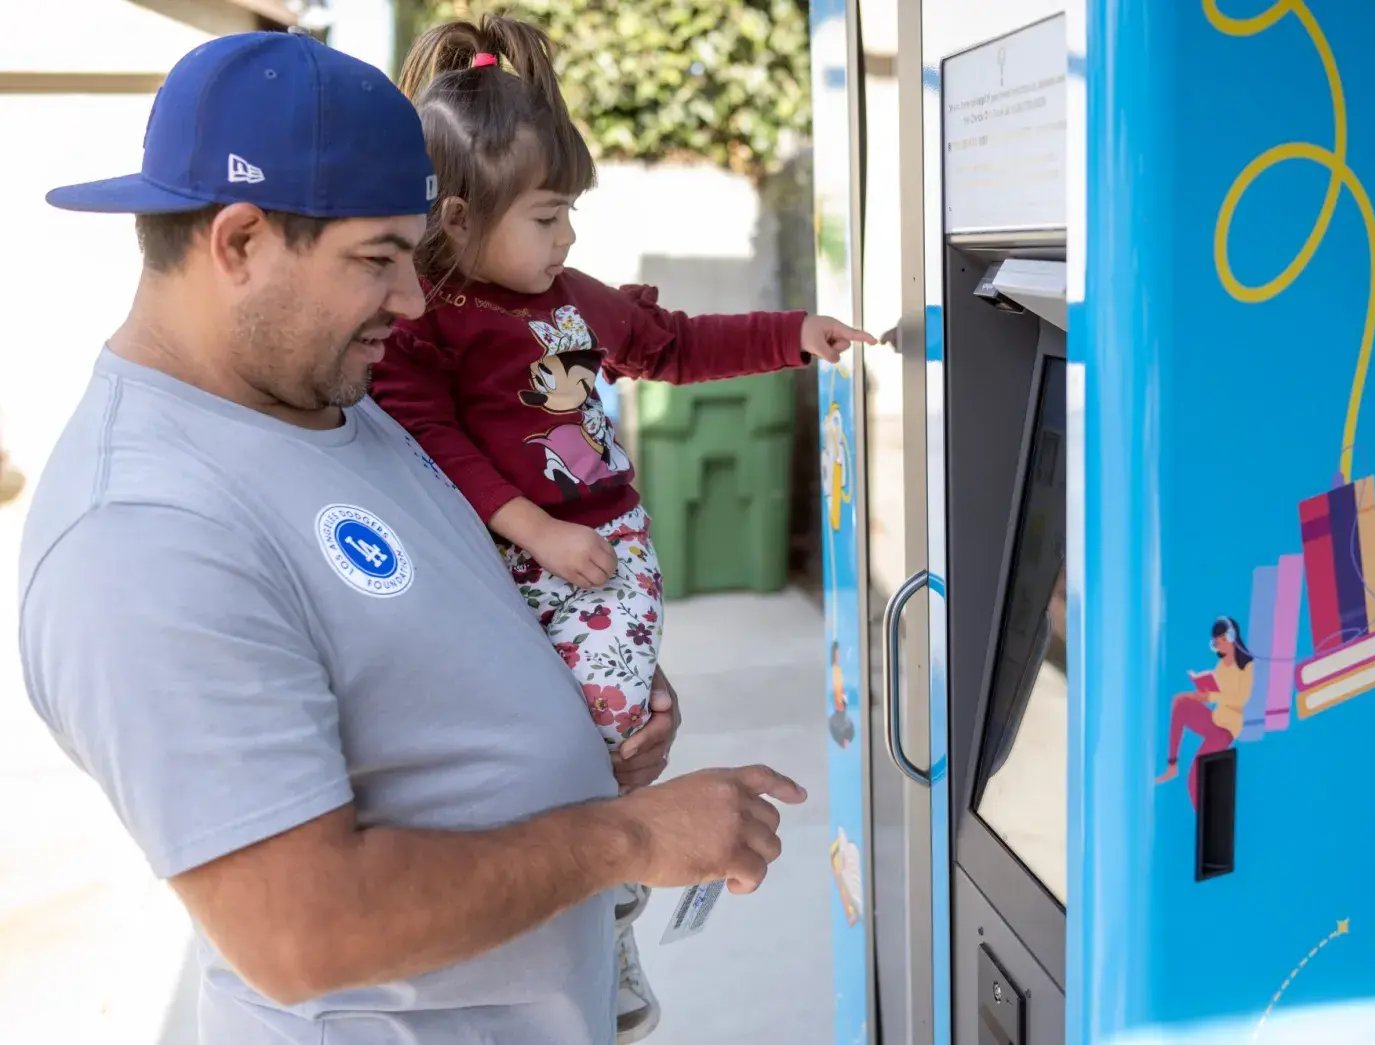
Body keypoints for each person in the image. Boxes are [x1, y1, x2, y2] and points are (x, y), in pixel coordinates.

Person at [17, 31, 804, 1044]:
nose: (415, 298)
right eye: (380, 258)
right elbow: (307, 929)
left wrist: (588, 735)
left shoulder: (330, 401)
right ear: (240, 242)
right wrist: (623, 836)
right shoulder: (142, 536)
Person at [371, 15, 873, 1039]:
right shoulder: (431, 320)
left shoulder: (575, 298)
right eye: (549, 218)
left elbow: (677, 343)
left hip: (603, 559)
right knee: (540, 745)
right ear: (459, 221)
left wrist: (793, 334)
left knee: (606, 730)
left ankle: (612, 897)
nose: (567, 241)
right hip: (527, 558)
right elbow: (432, 442)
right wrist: (534, 533)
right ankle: (601, 890)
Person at [1156, 616, 1255, 806]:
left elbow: (1240, 699)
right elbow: (1215, 692)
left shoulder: (1246, 667)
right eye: (1215, 644)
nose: (1218, 647)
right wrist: (1201, 695)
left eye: (1220, 641)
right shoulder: (1221, 665)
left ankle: (1206, 825)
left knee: (1195, 778)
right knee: (1180, 702)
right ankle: (1172, 765)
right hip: (1215, 718)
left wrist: (1211, 697)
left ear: (1231, 637)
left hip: (1227, 728)